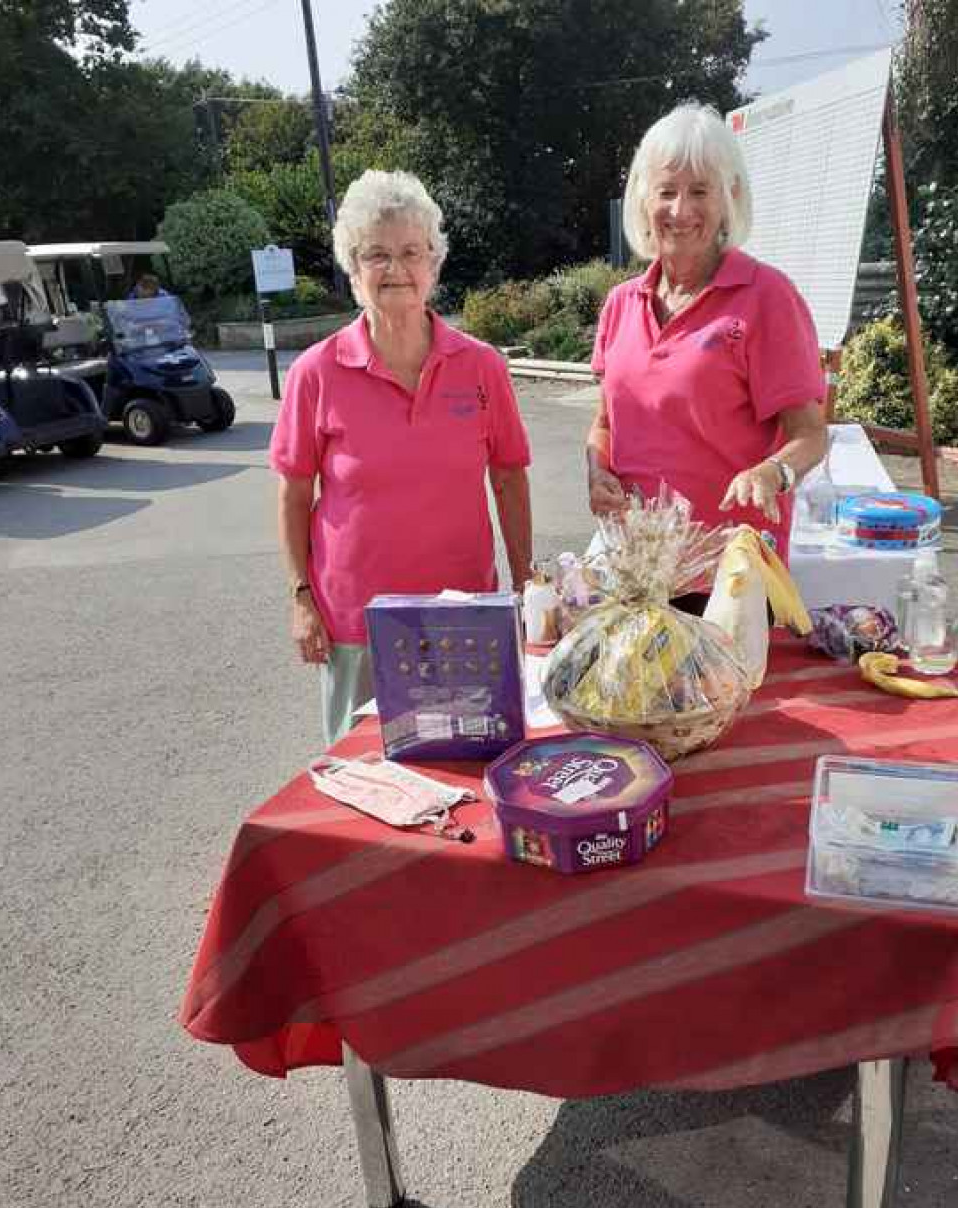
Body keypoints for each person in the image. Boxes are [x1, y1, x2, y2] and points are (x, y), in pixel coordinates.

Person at [270, 170, 533, 746]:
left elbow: (509, 476)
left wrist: (525, 585)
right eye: (377, 255)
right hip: (356, 621)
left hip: (464, 615)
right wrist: (301, 599)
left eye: (411, 252)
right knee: (365, 775)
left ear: (433, 262)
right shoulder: (317, 371)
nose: (395, 269)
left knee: (468, 756)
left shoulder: (481, 365)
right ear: (354, 268)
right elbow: (294, 494)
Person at [587, 102, 827, 596]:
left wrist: (773, 471)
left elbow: (810, 434)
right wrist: (595, 469)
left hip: (728, 578)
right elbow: (606, 422)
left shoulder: (767, 297)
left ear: (729, 198)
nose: (681, 211)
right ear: (643, 200)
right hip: (638, 570)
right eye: (666, 192)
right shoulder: (620, 304)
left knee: (718, 679)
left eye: (700, 191)